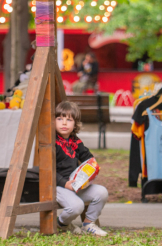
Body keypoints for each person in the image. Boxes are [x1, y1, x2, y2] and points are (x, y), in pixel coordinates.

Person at [55, 101, 108, 236]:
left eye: (69, 120)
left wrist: (90, 173)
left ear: (75, 124)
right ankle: (61, 223)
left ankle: (88, 224)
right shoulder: (51, 142)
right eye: (60, 119)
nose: (64, 123)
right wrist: (64, 183)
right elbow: (47, 171)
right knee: (77, 206)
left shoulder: (75, 141)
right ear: (53, 121)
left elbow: (89, 159)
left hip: (76, 185)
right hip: (58, 186)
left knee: (101, 192)